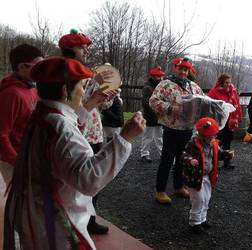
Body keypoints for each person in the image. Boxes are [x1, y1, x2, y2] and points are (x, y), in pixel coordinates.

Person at [3, 57, 146, 250]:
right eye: (80, 85)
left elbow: (64, 126)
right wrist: (125, 139)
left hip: (36, 211)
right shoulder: (60, 128)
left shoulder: (42, 113)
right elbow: (88, 179)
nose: (83, 91)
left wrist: (91, 103)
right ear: (65, 90)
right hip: (56, 220)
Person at [59, 29, 117, 234]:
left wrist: (106, 96)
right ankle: (72, 222)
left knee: (94, 179)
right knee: (73, 183)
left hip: (93, 132)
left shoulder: (86, 72)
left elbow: (102, 107)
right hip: (74, 132)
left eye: (85, 48)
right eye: (81, 48)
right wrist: (93, 97)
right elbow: (68, 106)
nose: (85, 52)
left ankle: (89, 220)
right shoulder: (63, 73)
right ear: (68, 49)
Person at [149, 57, 204, 204]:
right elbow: (153, 101)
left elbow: (203, 102)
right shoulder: (165, 84)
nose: (183, 72)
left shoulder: (194, 86)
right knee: (167, 160)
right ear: (175, 68)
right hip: (171, 129)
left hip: (188, 129)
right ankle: (160, 191)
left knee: (182, 160)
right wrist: (169, 108)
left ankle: (179, 186)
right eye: (181, 69)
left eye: (186, 69)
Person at [181, 117, 234, 234]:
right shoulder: (193, 143)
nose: (212, 138)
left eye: (214, 135)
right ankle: (194, 222)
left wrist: (227, 154)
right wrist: (190, 160)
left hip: (207, 177)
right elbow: (183, 155)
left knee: (206, 198)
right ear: (202, 135)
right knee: (198, 200)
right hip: (195, 177)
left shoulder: (213, 143)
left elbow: (218, 154)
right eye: (209, 136)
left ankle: (202, 219)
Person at [0, 44, 43, 186]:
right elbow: (2, 135)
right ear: (21, 67)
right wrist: (17, 162)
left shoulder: (32, 88)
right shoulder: (11, 94)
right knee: (20, 204)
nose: (41, 70)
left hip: (29, 157)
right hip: (15, 161)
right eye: (37, 66)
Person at [207, 73, 242, 169]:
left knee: (228, 141)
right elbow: (208, 104)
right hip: (219, 121)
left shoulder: (233, 91)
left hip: (231, 121)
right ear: (221, 83)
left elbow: (237, 104)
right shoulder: (214, 92)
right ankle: (214, 161)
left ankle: (227, 161)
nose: (228, 84)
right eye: (226, 82)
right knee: (217, 142)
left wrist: (239, 117)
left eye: (230, 82)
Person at [140, 67, 165, 163]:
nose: (161, 78)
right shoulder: (147, 87)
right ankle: (144, 154)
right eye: (159, 76)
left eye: (161, 76)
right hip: (150, 116)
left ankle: (162, 154)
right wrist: (157, 110)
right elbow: (146, 103)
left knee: (160, 137)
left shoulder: (160, 87)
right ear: (153, 76)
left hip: (159, 116)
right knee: (148, 136)